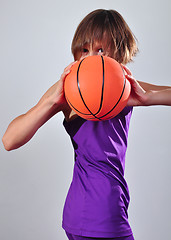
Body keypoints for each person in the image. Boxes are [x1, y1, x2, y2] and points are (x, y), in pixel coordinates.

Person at [2, 9, 171, 240]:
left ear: (119, 53)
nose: (90, 57)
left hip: (98, 208)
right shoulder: (68, 91)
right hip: (100, 213)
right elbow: (9, 140)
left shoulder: (126, 87)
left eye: (100, 50)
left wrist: (147, 98)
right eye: (84, 50)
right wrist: (52, 102)